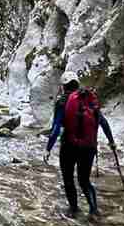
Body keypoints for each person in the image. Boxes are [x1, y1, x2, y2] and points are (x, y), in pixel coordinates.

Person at [45, 77, 114, 218]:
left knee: (68, 179)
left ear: (64, 86)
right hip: (89, 147)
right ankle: (94, 210)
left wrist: (48, 148)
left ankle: (74, 209)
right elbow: (103, 122)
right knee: (84, 180)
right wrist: (111, 142)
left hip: (68, 146)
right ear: (77, 84)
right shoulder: (89, 99)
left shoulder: (62, 101)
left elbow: (56, 128)